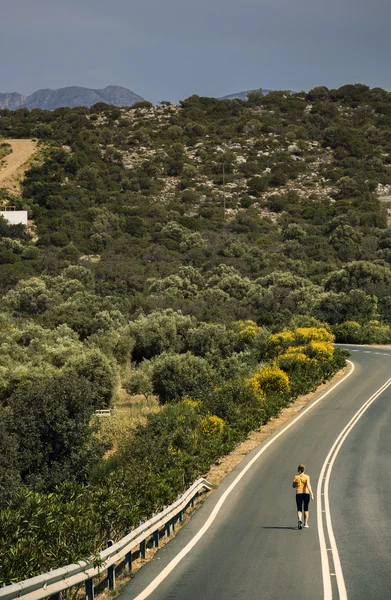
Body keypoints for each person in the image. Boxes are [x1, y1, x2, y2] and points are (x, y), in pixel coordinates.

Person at [292, 464, 314, 529]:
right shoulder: (307, 477)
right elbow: (308, 485)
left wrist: (298, 483)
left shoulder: (296, 477)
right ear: (304, 470)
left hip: (298, 493)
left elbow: (293, 486)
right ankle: (306, 523)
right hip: (306, 493)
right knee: (306, 508)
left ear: (298, 470)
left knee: (299, 509)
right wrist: (312, 493)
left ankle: (299, 520)